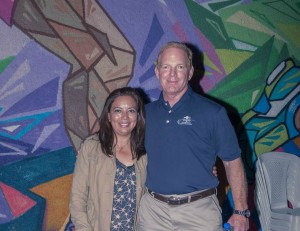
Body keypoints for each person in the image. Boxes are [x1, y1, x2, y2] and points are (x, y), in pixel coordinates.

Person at [137, 42, 249, 231]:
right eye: (166, 67)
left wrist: (241, 211)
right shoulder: (144, 114)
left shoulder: (213, 113)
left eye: (180, 67)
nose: (172, 74)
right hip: (153, 214)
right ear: (157, 72)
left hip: (199, 214)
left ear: (190, 73)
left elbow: (232, 162)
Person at [69, 87, 147, 231]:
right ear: (109, 116)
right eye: (118, 110)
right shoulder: (92, 147)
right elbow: (78, 197)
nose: (125, 117)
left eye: (131, 111)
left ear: (138, 115)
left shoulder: (146, 152)